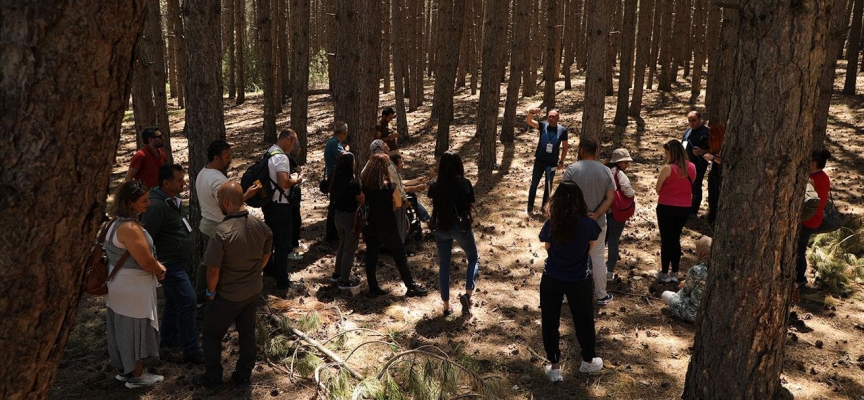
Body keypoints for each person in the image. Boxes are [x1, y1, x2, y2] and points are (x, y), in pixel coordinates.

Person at [194, 182, 273, 390]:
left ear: (226, 202)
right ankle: (243, 375)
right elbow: (266, 256)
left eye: (219, 200)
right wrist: (253, 272)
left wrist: (210, 292)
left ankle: (213, 377)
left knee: (211, 335)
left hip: (227, 295)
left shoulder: (221, 232)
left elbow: (212, 270)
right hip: (253, 290)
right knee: (247, 332)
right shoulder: (261, 226)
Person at [104, 181, 168, 388]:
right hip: (133, 290)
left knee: (123, 329)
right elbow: (146, 261)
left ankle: (127, 371)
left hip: (120, 287)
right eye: (143, 200)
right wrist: (160, 270)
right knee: (135, 330)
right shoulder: (129, 228)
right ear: (129, 204)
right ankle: (137, 376)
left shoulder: (112, 223)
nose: (148, 203)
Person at [539, 181, 604, 382]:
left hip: (552, 277)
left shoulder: (551, 224)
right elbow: (589, 248)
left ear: (556, 201)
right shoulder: (588, 224)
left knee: (550, 320)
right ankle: (587, 360)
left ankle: (555, 366)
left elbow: (547, 247)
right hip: (578, 279)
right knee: (584, 320)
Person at [140, 164, 203, 364]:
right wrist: (156, 264)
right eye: (179, 179)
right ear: (166, 183)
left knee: (175, 301)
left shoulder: (172, 200)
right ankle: (191, 349)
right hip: (170, 264)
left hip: (181, 261)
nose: (184, 182)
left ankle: (168, 337)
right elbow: (146, 236)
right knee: (188, 301)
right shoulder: (157, 207)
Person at [195, 140, 259, 304]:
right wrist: (247, 195)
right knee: (217, 266)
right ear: (216, 158)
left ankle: (202, 297)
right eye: (227, 156)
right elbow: (228, 205)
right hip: (218, 225)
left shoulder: (204, 172)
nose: (230, 159)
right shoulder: (217, 180)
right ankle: (213, 297)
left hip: (207, 223)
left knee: (207, 263)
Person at [360, 153, 428, 297]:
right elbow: (398, 204)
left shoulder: (364, 184)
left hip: (369, 226)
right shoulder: (389, 186)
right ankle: (411, 286)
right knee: (400, 255)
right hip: (387, 226)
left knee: (371, 256)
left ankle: (373, 287)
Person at [561, 138, 615, 305]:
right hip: (597, 223)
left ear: (582, 150)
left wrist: (580, 212)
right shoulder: (605, 170)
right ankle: (601, 295)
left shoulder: (572, 169)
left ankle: (564, 294)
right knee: (598, 258)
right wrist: (597, 213)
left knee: (569, 256)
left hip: (574, 222)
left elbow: (565, 195)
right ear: (595, 151)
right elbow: (610, 198)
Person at [428, 151, 479, 317]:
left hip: (441, 226)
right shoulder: (465, 183)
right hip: (460, 227)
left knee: (444, 265)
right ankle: (468, 295)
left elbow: (431, 196)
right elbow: (470, 200)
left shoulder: (436, 184)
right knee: (473, 257)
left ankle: (445, 306)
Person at [261, 129, 304, 297]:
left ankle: (270, 270)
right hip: (281, 206)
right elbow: (284, 182)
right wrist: (297, 179)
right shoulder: (281, 157)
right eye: (293, 143)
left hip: (270, 203)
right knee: (282, 244)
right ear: (287, 139)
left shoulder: (269, 152)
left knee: (271, 241)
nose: (293, 147)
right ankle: (282, 281)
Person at [654, 139, 696, 283]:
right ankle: (675, 272)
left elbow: (658, 188)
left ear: (671, 153)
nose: (666, 156)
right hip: (684, 208)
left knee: (666, 239)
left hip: (666, 206)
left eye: (667, 153)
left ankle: (664, 272)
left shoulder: (668, 168)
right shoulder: (692, 167)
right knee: (676, 238)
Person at [797, 149, 832, 287]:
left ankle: (800, 279)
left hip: (808, 221)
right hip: (816, 219)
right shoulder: (825, 177)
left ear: (813, 164)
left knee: (799, 251)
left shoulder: (811, 180)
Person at [364, 140, 410, 243]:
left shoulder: (369, 164)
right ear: (380, 149)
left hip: (374, 205)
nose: (388, 147)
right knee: (397, 229)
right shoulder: (386, 163)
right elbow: (396, 184)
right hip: (392, 203)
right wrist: (404, 199)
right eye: (385, 146)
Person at [329, 151, 363, 289]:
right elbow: (362, 199)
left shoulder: (335, 179)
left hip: (337, 216)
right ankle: (344, 281)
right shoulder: (352, 183)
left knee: (342, 244)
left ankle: (337, 274)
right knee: (350, 249)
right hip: (350, 218)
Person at [525, 108, 569, 214]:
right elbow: (529, 122)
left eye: (553, 117)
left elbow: (565, 147)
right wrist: (530, 113)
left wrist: (561, 162)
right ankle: (530, 207)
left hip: (552, 162)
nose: (551, 118)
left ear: (558, 118)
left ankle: (544, 208)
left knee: (548, 185)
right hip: (540, 160)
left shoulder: (562, 131)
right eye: (549, 116)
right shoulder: (543, 125)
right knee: (534, 183)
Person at [661, 236, 712, 322]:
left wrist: (686, 284)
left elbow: (684, 293)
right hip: (710, 315)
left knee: (665, 294)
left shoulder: (696, 270)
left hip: (693, 314)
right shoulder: (718, 270)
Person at [605, 148, 635, 282]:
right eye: (625, 162)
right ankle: (609, 272)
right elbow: (628, 192)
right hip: (616, 213)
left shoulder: (604, 171)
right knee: (613, 243)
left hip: (602, 212)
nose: (627, 165)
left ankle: (592, 268)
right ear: (619, 162)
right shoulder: (620, 174)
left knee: (599, 243)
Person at [324, 121, 350, 244]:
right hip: (335, 180)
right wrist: (348, 150)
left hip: (334, 179)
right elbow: (343, 157)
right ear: (344, 133)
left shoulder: (333, 142)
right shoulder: (334, 143)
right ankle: (331, 236)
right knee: (335, 207)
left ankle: (333, 235)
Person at [681, 111, 710, 218]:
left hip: (699, 164)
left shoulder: (706, 132)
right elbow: (683, 144)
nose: (691, 123)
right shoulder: (688, 131)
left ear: (699, 119)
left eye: (694, 120)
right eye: (689, 121)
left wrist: (701, 151)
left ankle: (693, 211)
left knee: (696, 186)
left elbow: (713, 149)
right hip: (686, 164)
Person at [390, 153, 431, 223]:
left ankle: (426, 218)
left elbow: (403, 183)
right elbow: (402, 189)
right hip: (397, 200)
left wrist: (417, 180)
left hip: (400, 195)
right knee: (413, 198)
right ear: (395, 165)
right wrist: (416, 187)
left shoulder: (396, 173)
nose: (402, 163)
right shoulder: (393, 173)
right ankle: (427, 219)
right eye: (400, 162)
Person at [701, 124, 725, 224]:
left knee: (717, 197)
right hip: (713, 173)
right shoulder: (712, 144)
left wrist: (713, 158)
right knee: (712, 196)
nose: (711, 138)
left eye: (713, 136)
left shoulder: (724, 146)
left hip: (720, 175)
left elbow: (724, 161)